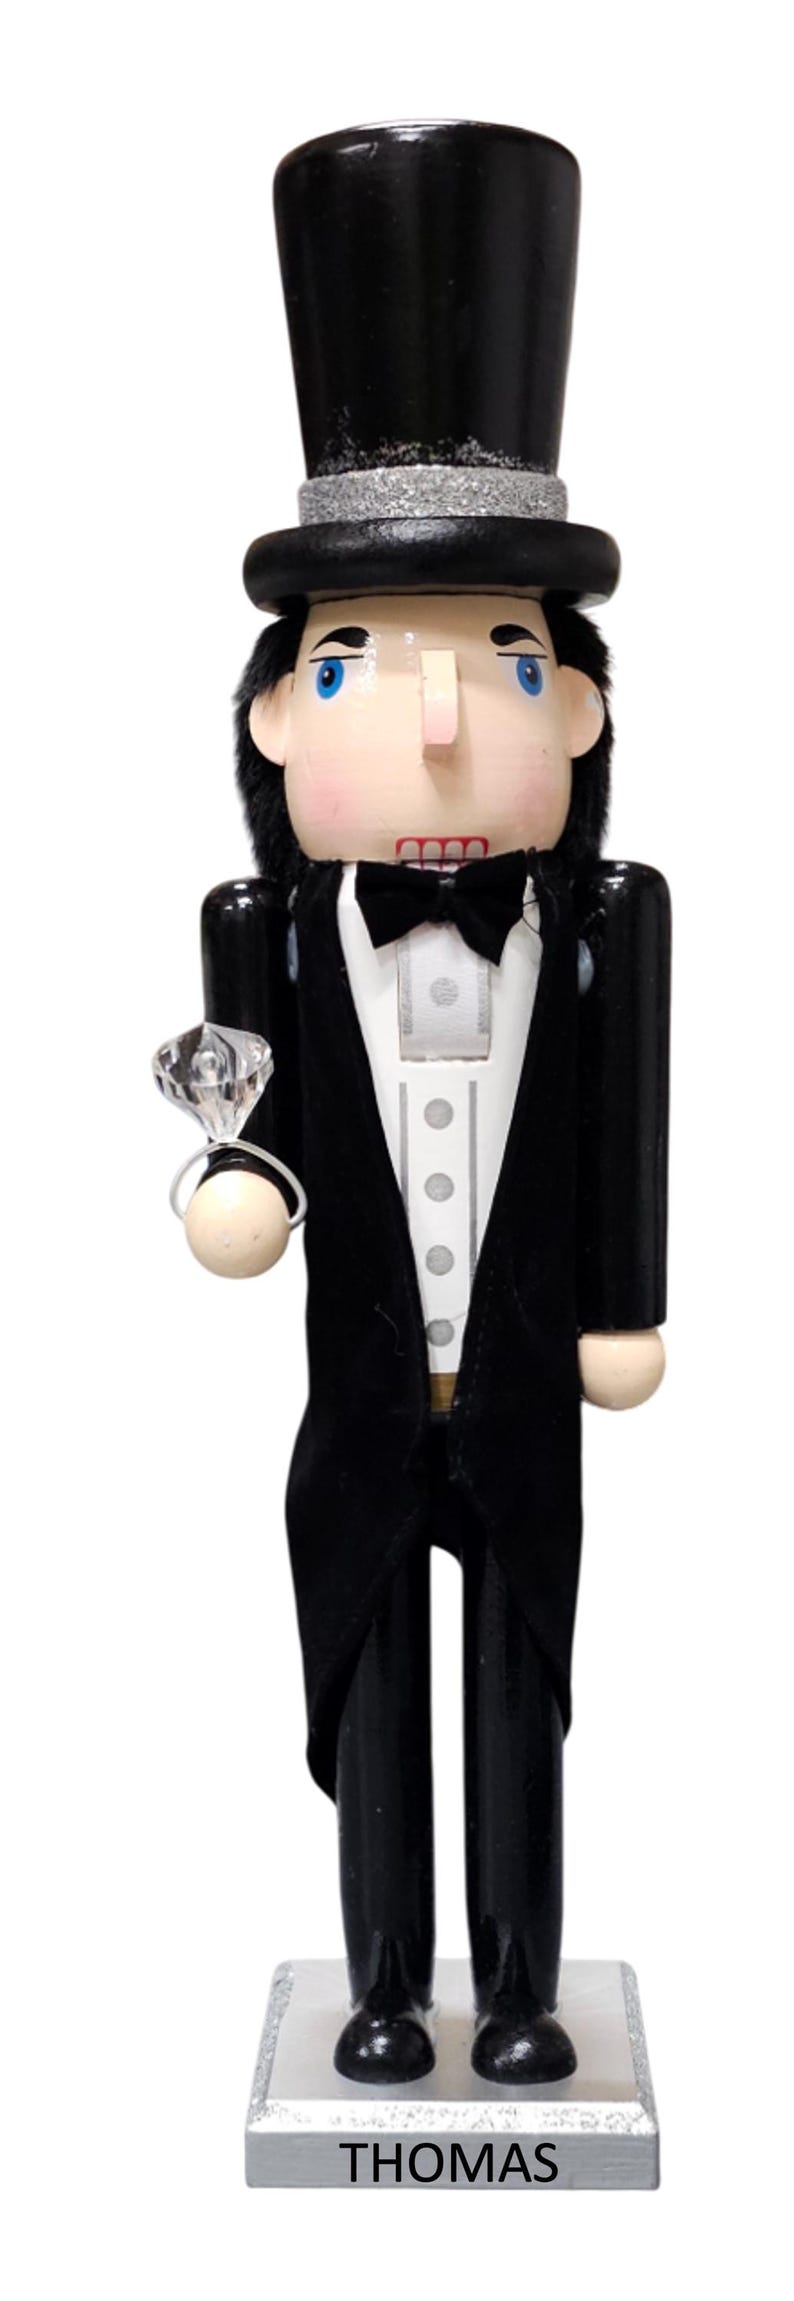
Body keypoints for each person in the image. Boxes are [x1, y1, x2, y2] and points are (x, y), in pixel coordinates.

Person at [184, 122, 671, 2085]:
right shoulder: (267, 932)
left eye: (504, 659)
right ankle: (384, 1982)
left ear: (581, 704)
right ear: (271, 712)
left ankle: (521, 1986)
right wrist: (231, 1188)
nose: (446, 721)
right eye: (365, 666)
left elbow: (629, 1122)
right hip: (366, 1391)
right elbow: (245, 1133)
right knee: (374, 1679)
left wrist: (624, 1304)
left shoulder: (613, 925)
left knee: (522, 1682)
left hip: (532, 1388)